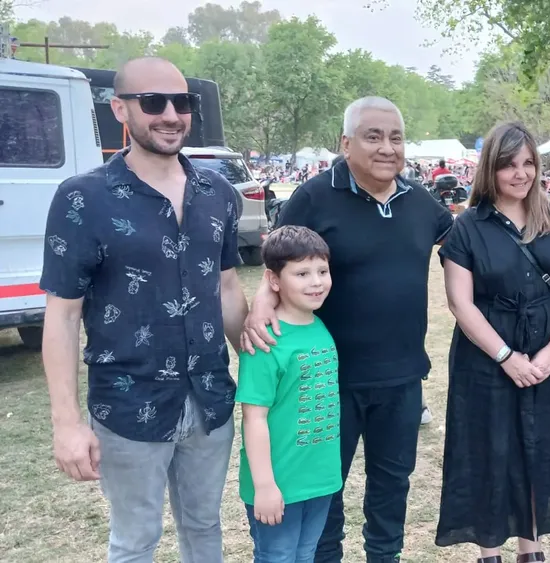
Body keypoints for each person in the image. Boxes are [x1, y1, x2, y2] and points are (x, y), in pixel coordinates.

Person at [39, 57, 249, 563]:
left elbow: (225, 288)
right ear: (120, 109)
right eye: (154, 102)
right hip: (129, 406)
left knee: (204, 529)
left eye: (183, 103)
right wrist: (66, 423)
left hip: (210, 401)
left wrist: (264, 361)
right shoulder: (82, 199)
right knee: (135, 542)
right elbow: (63, 316)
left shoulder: (218, 193)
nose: (171, 114)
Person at [241, 96, 454, 563]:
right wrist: (260, 302)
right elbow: (276, 259)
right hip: (325, 381)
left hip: (400, 378)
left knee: (392, 488)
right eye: (373, 136)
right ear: (346, 142)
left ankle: (385, 557)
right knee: (324, 496)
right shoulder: (314, 196)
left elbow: (469, 244)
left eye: (395, 137)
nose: (386, 147)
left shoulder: (419, 200)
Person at [435, 122, 550, 562]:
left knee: (538, 448)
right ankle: (489, 552)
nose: (521, 174)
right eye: (509, 165)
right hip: (486, 358)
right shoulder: (467, 228)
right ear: (491, 169)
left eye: (528, 163)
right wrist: (506, 357)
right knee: (489, 449)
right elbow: (460, 304)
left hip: (548, 352)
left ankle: (531, 549)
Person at [237, 226, 342, 563]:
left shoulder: (320, 327)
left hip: (320, 479)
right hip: (277, 483)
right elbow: (254, 417)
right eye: (302, 273)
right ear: (274, 280)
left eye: (322, 271)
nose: (316, 282)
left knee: (306, 554)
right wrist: (264, 485)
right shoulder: (265, 341)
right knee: (277, 557)